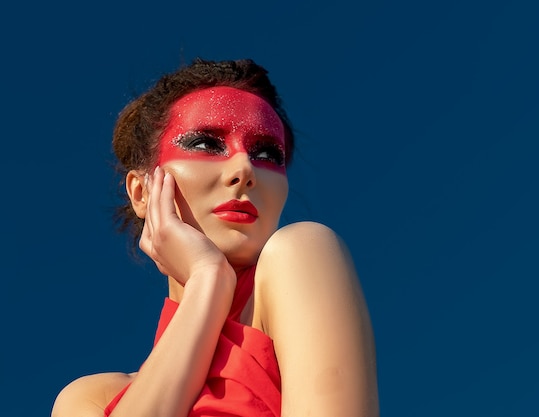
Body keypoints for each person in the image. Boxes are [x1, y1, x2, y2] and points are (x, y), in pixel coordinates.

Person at [51, 58, 379, 417]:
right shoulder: (90, 398)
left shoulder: (304, 251)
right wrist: (208, 280)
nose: (244, 169)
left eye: (267, 153)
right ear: (142, 193)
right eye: (206, 144)